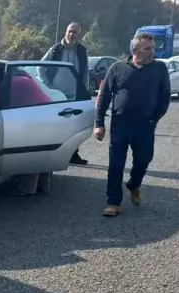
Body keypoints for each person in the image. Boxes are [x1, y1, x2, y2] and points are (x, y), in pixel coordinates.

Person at [94, 32, 171, 217]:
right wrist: (99, 123)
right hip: (121, 124)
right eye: (148, 49)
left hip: (145, 125)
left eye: (153, 48)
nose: (152, 52)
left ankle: (134, 184)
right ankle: (113, 202)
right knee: (115, 165)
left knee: (143, 161)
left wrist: (155, 118)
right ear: (135, 50)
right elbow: (103, 97)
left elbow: (165, 96)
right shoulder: (117, 68)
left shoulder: (159, 68)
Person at [42, 22, 90, 165]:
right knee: (55, 124)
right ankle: (53, 154)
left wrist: (84, 89)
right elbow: (40, 65)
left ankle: (73, 154)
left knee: (74, 126)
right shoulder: (55, 49)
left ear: (78, 34)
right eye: (69, 31)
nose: (71, 34)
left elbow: (85, 71)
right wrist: (47, 85)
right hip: (56, 95)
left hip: (74, 95)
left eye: (74, 32)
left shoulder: (82, 51)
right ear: (65, 31)